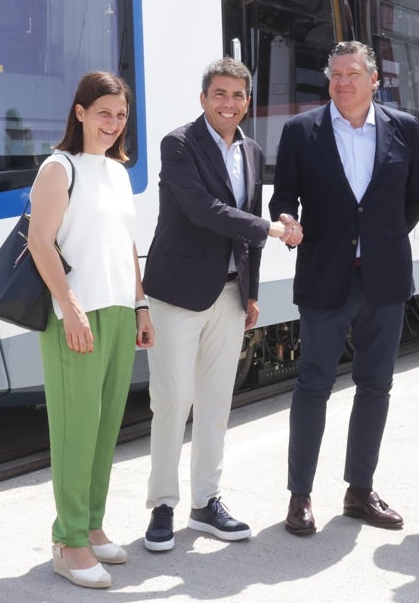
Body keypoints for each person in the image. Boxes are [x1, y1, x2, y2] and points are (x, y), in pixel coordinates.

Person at [269, 40, 419, 535]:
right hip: (325, 275)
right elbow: (285, 197)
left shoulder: (405, 129)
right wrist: (287, 220)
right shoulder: (301, 131)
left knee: (376, 385)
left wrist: (376, 240)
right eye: (334, 73)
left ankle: (360, 491)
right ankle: (300, 496)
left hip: (382, 278)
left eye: (352, 73)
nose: (342, 81)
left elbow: (416, 198)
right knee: (313, 383)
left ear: (374, 79)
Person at [141, 57, 301, 552]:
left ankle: (205, 502)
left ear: (247, 102)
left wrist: (251, 292)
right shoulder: (179, 143)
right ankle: (163, 505)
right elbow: (202, 210)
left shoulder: (252, 151)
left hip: (230, 294)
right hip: (178, 293)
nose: (228, 103)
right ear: (203, 98)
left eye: (237, 95)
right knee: (171, 401)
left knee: (215, 404)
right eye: (219, 93)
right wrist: (274, 228)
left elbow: (245, 221)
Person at [28, 71, 155, 589]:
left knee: (105, 429)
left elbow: (126, 244)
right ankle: (68, 540)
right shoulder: (59, 168)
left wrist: (141, 306)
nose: (113, 123)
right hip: (75, 314)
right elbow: (40, 243)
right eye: (104, 112)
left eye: (121, 115)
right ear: (79, 112)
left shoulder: (118, 172)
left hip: (119, 309)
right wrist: (71, 306)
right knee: (75, 429)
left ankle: (92, 523)